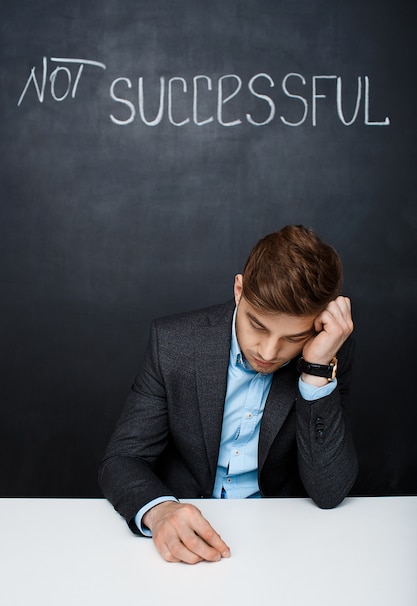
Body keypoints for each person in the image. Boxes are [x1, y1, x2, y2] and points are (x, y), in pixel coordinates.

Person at [99, 225, 358, 564]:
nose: (268, 351)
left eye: (292, 338)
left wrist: (317, 371)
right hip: (185, 533)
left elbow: (330, 490)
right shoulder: (174, 344)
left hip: (283, 543)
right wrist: (160, 511)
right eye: (258, 326)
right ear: (239, 290)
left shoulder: (330, 353)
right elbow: (122, 459)